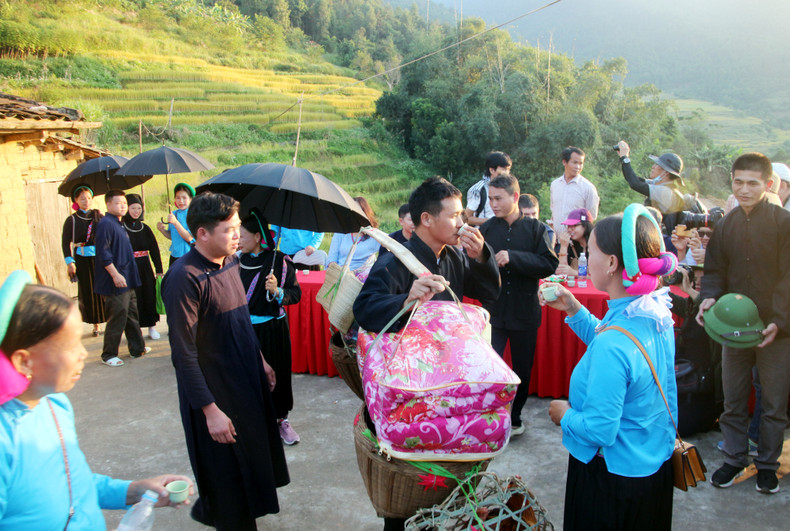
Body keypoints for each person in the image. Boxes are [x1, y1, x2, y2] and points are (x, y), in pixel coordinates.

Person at [353, 176, 500, 531]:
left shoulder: (452, 256)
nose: (462, 224)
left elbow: (489, 291)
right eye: (454, 216)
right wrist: (406, 299)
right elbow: (365, 308)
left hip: (442, 389)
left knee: (441, 499)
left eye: (462, 215)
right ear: (426, 219)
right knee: (406, 498)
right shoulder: (394, 262)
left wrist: (482, 257)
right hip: (407, 394)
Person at [0, 270, 194, 529]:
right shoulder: (5, 440)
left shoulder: (54, 404)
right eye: (69, 346)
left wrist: (134, 491)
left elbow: (72, 482)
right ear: (24, 361)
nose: (83, 353)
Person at [545, 204, 678, 529]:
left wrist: (564, 414)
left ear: (613, 263)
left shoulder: (617, 338)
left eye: (590, 251)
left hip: (611, 481)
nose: (587, 258)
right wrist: (574, 309)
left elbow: (599, 429)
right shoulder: (652, 312)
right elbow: (616, 342)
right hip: (651, 466)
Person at [162, 192, 289, 530]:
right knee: (227, 482)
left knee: (250, 470)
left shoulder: (230, 262)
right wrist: (210, 410)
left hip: (245, 384)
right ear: (202, 233)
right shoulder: (183, 278)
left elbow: (240, 321)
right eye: (229, 229)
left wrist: (260, 360)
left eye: (237, 228)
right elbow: (184, 354)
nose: (237, 235)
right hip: (215, 394)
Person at [696, 152, 790, 495]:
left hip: (776, 331)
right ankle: (734, 458)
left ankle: (767, 465)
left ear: (768, 185)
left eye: (753, 183)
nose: (745, 189)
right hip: (733, 330)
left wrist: (779, 321)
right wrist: (708, 297)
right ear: (732, 183)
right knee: (734, 398)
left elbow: (788, 278)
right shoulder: (727, 223)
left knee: (774, 404)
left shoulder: (784, 223)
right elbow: (715, 271)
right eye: (739, 182)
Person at [480, 175, 558, 435]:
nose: (493, 204)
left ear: (515, 197)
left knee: (522, 367)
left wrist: (514, 258)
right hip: (495, 312)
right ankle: (490, 417)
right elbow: (477, 268)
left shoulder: (536, 230)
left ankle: (515, 417)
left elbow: (549, 264)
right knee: (491, 365)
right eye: (490, 198)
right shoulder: (488, 229)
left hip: (525, 311)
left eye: (498, 198)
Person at [238, 210, 302, 446]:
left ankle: (280, 420)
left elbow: (296, 295)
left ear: (257, 236)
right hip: (243, 330)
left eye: (242, 235)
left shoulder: (280, 261)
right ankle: (254, 423)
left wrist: (277, 291)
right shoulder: (236, 260)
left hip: (272, 330)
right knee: (246, 378)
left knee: (277, 376)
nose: (238, 239)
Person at [93, 190, 149, 367]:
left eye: (124, 203)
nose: (123, 206)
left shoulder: (119, 223)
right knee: (117, 315)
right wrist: (115, 275)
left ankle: (137, 348)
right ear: (108, 205)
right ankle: (109, 354)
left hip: (128, 278)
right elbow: (103, 254)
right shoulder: (105, 224)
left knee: (131, 314)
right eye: (118, 203)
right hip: (115, 281)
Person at [668, 265, 723, 437]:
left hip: (705, 391)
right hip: (687, 382)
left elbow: (711, 313)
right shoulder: (693, 306)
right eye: (696, 278)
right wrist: (660, 285)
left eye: (704, 280)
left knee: (675, 428)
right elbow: (676, 304)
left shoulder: (721, 310)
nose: (698, 283)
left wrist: (690, 291)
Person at [615, 141, 692, 232]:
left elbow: (635, 184)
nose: (653, 167)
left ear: (666, 172)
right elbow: (634, 179)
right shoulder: (661, 185)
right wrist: (623, 157)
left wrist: (625, 158)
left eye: (657, 165)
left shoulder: (665, 191)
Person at [61, 185, 106, 337]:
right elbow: (65, 242)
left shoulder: (99, 217)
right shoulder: (72, 220)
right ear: (76, 200)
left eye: (88, 198)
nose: (86, 201)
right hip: (82, 260)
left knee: (103, 288)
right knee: (88, 291)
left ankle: (109, 318)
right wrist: (70, 262)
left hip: (100, 258)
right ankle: (96, 324)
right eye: (82, 199)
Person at [123, 194, 163, 340]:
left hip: (145, 266)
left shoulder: (145, 228)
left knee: (148, 295)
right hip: (129, 267)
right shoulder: (121, 227)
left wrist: (159, 269)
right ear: (127, 208)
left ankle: (152, 327)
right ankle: (136, 329)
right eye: (133, 208)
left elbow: (154, 249)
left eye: (139, 208)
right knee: (135, 297)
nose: (136, 211)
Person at [549, 147, 599, 233]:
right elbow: (553, 211)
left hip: (576, 242)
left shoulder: (588, 188)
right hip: (557, 241)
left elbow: (591, 217)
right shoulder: (555, 185)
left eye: (581, 163)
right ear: (564, 162)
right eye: (575, 163)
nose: (578, 167)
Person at [326, 196, 380, 270]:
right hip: (340, 273)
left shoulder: (373, 235)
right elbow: (332, 257)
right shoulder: (341, 233)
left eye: (357, 211)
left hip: (362, 277)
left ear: (364, 213)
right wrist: (335, 269)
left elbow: (391, 244)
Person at [464, 151, 512, 226]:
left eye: (508, 169)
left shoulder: (509, 187)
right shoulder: (478, 189)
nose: (507, 173)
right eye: (504, 169)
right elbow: (466, 218)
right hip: (482, 234)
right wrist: (493, 222)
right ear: (492, 170)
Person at [157, 183, 195, 267]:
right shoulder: (173, 214)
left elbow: (189, 238)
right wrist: (162, 230)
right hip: (174, 255)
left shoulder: (193, 215)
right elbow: (172, 236)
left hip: (188, 256)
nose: (180, 201)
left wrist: (175, 222)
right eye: (178, 198)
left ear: (191, 199)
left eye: (184, 198)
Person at [555, 208, 593, 277]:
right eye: (568, 226)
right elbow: (561, 272)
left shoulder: (597, 245)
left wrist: (575, 273)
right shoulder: (571, 245)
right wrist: (563, 247)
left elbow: (601, 277)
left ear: (586, 226)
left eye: (574, 226)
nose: (569, 229)